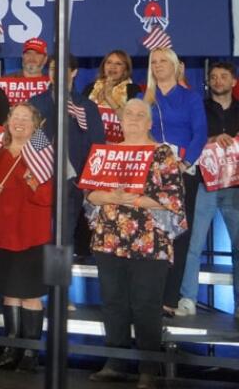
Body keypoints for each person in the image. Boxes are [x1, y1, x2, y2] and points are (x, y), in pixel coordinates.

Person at [85, 99, 186, 388]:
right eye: (128, 113)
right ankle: (115, 362)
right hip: (108, 239)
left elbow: (174, 198)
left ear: (150, 122)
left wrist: (137, 200)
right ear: (120, 119)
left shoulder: (162, 154)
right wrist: (112, 198)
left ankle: (148, 369)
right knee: (113, 302)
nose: (133, 118)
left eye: (140, 115)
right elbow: (89, 192)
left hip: (149, 241)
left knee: (145, 306)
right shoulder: (107, 151)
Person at [0, 104, 52, 372]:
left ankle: (31, 352)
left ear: (35, 125)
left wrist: (30, 180)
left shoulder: (43, 159)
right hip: (1, 233)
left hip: (32, 234)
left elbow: (50, 197)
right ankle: (11, 349)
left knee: (30, 295)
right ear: (7, 122)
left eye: (25, 118)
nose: (19, 122)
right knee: (9, 294)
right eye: (15, 117)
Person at [144, 46, 207, 314]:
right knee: (152, 234)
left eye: (163, 61)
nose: (158, 65)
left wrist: (184, 163)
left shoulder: (190, 98)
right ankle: (149, 296)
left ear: (174, 65)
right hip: (151, 176)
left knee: (179, 235)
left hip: (181, 174)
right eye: (154, 62)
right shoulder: (144, 98)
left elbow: (200, 133)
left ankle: (169, 300)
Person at [177, 61, 239, 317]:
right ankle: (188, 298)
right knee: (194, 244)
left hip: (235, 186)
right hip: (206, 183)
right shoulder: (199, 108)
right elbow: (190, 136)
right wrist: (213, 139)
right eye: (213, 77)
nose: (218, 81)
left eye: (223, 77)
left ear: (234, 82)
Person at [28, 52, 105, 256]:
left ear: (74, 72)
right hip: (39, 180)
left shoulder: (87, 107)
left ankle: (58, 283)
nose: (57, 73)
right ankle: (38, 285)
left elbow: (98, 146)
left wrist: (89, 183)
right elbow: (26, 140)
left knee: (62, 238)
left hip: (73, 182)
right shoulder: (35, 103)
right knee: (39, 235)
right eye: (53, 69)